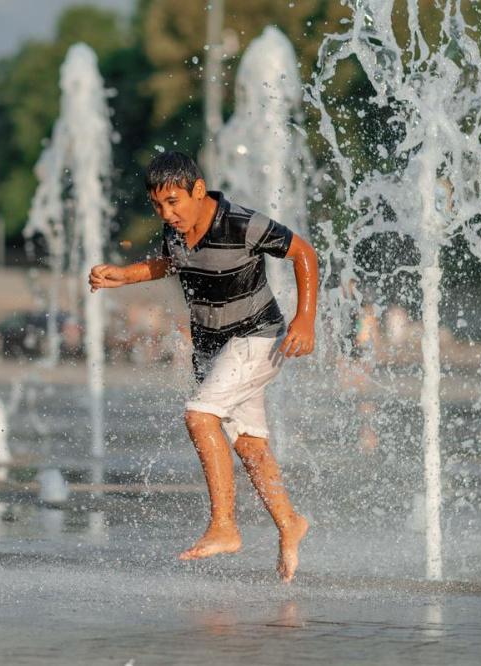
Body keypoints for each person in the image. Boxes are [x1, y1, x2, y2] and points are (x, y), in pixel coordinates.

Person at [88, 151, 318, 582]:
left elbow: (304, 253)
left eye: (174, 202)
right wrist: (124, 275)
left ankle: (225, 526)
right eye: (158, 205)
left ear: (197, 190)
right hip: (213, 347)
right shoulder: (174, 232)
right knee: (249, 444)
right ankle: (289, 522)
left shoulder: (242, 223)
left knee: (199, 415)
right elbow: (171, 265)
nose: (167, 213)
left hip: (257, 337)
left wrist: (305, 319)